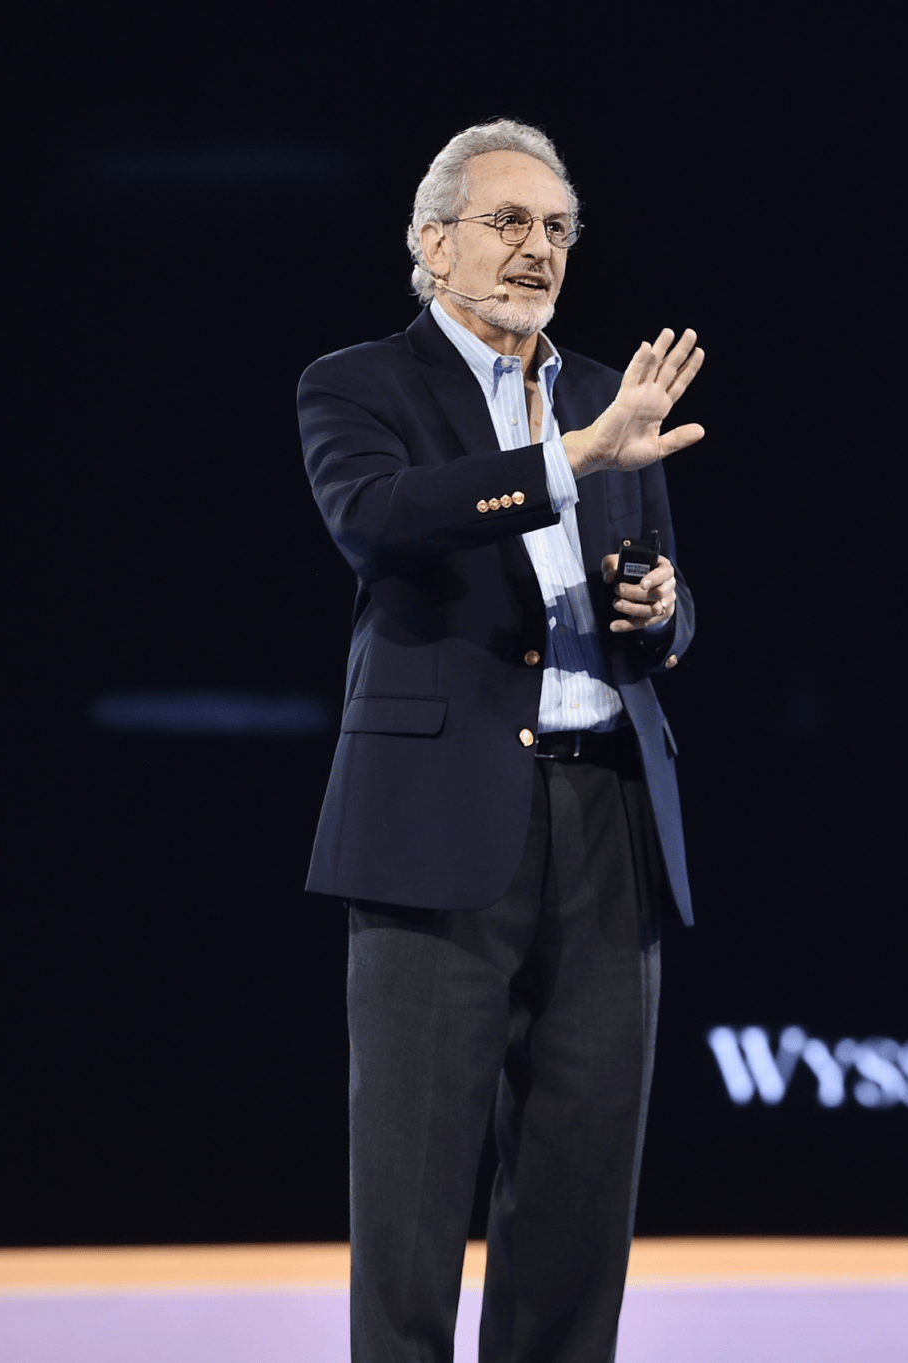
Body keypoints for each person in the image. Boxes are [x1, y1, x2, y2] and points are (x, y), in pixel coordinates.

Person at [295, 119, 705, 1363]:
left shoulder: (601, 390)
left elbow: (661, 590)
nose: (539, 249)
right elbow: (379, 520)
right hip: (435, 824)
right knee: (413, 1204)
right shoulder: (358, 383)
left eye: (559, 228)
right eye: (509, 222)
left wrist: (661, 609)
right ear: (432, 243)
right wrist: (572, 458)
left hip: (607, 817)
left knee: (580, 1202)